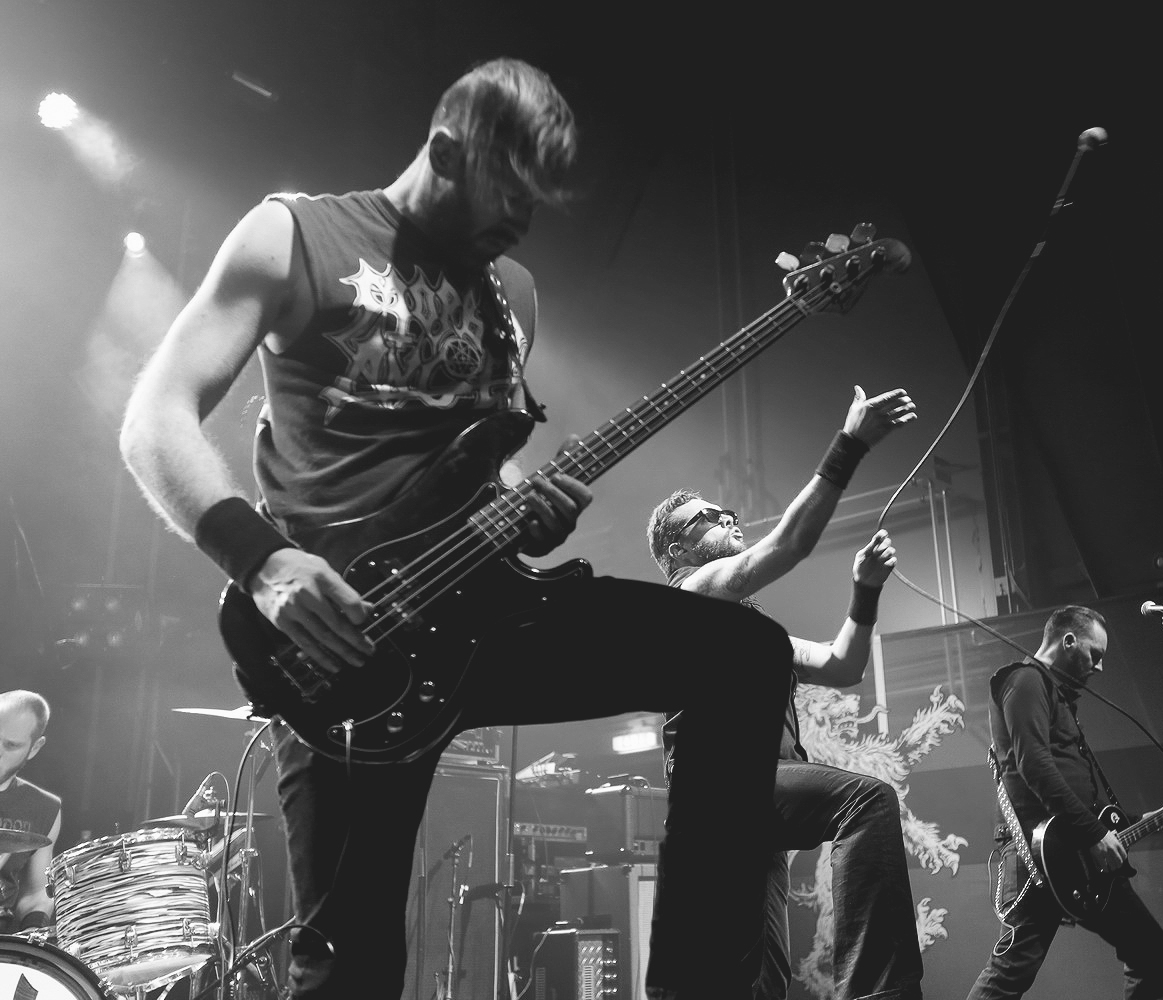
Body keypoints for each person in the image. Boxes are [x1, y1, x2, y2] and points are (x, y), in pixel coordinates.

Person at [118, 56, 844, 1000]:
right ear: (446, 151)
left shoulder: (514, 295)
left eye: (538, 206)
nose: (522, 223)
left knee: (741, 652)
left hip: (480, 615)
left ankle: (696, 985)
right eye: (511, 196)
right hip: (344, 635)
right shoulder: (294, 235)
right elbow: (155, 418)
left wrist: (524, 513)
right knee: (350, 968)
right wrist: (263, 564)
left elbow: (477, 461)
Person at [646, 385, 922, 1000]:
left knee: (761, 984)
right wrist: (849, 444)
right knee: (868, 801)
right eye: (708, 517)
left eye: (728, 512)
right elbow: (788, 545)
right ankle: (879, 992)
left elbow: (842, 665)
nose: (728, 518)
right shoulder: (689, 594)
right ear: (676, 547)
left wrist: (865, 592)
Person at [966, 606, 1163, 999]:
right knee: (1012, 970)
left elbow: (1072, 787)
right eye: (1095, 654)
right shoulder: (1025, 680)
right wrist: (1094, 834)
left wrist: (1130, 821)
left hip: (1072, 850)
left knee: (1149, 949)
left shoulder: (1055, 695)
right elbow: (1034, 765)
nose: (1099, 667)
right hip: (1037, 852)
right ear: (1069, 641)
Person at [0, 690, 60, 936]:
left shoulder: (44, 807)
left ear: (34, 748)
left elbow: (35, 893)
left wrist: (33, 931)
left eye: (10, 745)